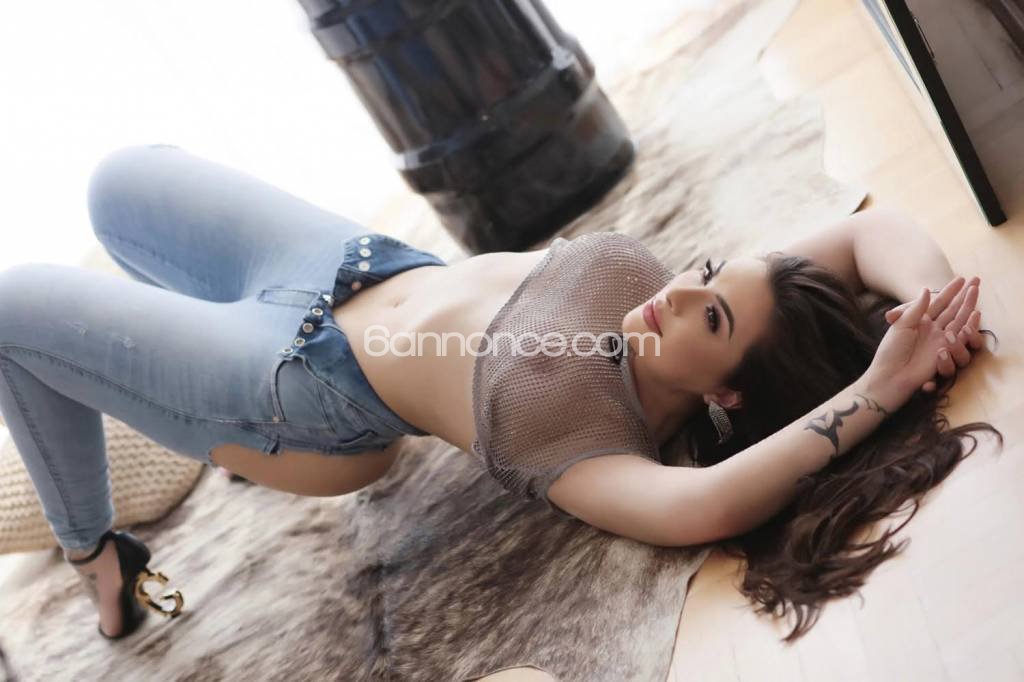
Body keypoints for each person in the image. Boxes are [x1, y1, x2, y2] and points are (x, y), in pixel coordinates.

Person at [0, 145, 999, 642]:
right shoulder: (695, 304)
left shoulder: (596, 451)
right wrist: (930, 317)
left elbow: (710, 504)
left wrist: (880, 390)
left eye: (709, 318)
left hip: (297, 384)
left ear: (730, 397)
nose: (679, 291)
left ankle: (97, 555)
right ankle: (156, 377)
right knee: (117, 186)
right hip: (348, 262)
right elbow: (871, 231)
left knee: (9, 310)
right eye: (703, 271)